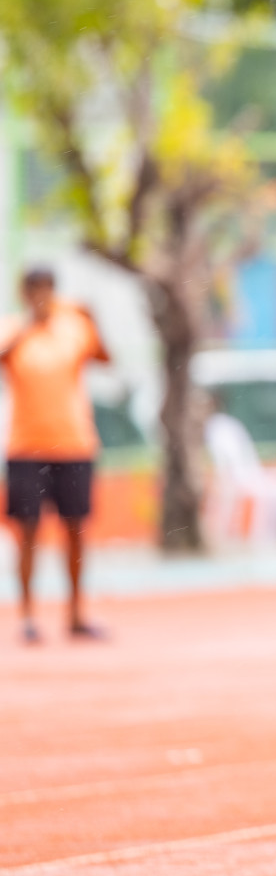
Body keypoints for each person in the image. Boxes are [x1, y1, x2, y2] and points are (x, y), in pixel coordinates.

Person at [0, 267, 111, 644]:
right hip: (26, 448)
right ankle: (28, 617)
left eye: (46, 290)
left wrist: (94, 319)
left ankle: (76, 614)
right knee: (27, 533)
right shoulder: (13, 329)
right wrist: (26, 327)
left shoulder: (74, 326)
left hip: (75, 444)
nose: (40, 297)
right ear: (24, 294)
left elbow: (105, 359)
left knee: (76, 531)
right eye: (33, 291)